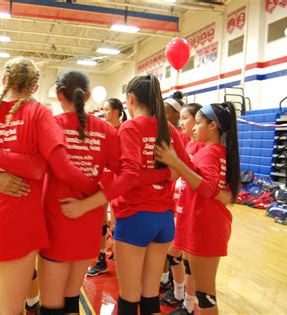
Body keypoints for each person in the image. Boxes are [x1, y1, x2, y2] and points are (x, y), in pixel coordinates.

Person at [0, 57, 98, 315]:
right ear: (34, 88)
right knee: (9, 309)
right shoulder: (38, 113)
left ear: (3, 81)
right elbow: (39, 168)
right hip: (16, 223)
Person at [61, 75, 189, 315]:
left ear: (130, 99)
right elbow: (187, 167)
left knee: (129, 297)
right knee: (150, 295)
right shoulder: (168, 128)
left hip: (135, 217)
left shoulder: (131, 127)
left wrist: (88, 204)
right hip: (163, 220)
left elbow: (130, 176)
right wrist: (167, 173)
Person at [36, 70, 119, 314]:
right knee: (71, 300)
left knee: (51, 306)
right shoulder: (106, 130)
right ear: (89, 95)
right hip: (89, 225)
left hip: (56, 223)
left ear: (59, 95)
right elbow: (129, 176)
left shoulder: (51, 126)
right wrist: (91, 202)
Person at [155, 102, 240, 315]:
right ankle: (183, 299)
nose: (193, 127)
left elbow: (208, 188)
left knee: (206, 297)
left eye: (198, 122)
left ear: (213, 126)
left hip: (206, 228)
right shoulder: (211, 151)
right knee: (203, 295)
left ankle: (183, 300)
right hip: (200, 224)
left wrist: (176, 161)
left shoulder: (211, 152)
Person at [161, 103, 204, 314]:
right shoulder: (189, 146)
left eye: (188, 118)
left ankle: (187, 303)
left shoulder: (205, 150)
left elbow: (202, 183)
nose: (182, 122)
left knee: (187, 261)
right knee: (175, 256)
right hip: (181, 209)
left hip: (193, 213)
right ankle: (179, 295)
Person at [87, 97, 127, 277]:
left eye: (107, 109)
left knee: (115, 224)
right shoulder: (103, 130)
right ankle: (101, 259)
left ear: (117, 111)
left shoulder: (124, 130)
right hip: (103, 180)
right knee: (101, 222)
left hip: (118, 182)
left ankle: (120, 257)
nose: (104, 113)